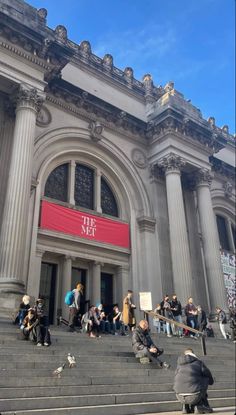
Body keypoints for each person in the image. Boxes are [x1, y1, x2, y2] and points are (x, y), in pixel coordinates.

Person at [174, 348, 214, 414]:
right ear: (193, 354)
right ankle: (199, 406)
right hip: (195, 395)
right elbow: (208, 374)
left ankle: (185, 408)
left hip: (179, 396)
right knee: (205, 379)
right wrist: (211, 382)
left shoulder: (179, 365)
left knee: (183, 380)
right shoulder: (199, 363)